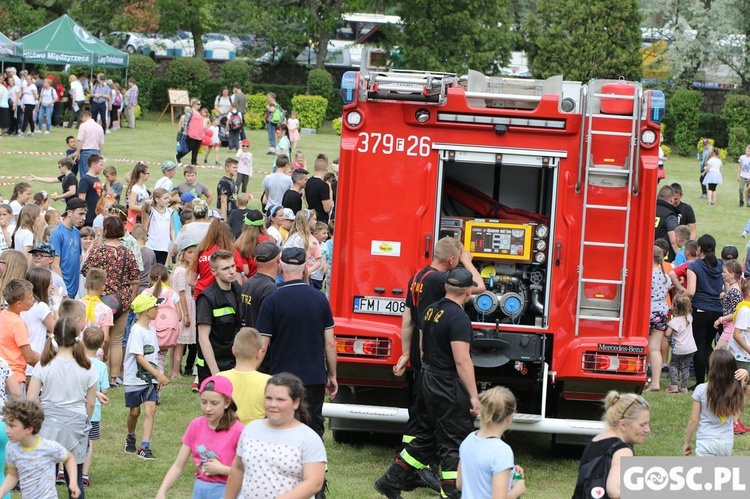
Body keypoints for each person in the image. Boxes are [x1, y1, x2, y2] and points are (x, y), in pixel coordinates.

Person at [374, 268, 480, 499]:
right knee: (455, 440)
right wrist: (473, 395)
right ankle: (451, 491)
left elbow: (422, 350)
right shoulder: (459, 318)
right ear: (468, 291)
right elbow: (462, 361)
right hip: (447, 383)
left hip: (428, 379)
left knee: (428, 437)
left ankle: (390, 480)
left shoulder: (431, 310)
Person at [224, 372, 326, 499]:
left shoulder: (309, 438)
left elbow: (314, 483)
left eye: (280, 400)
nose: (272, 404)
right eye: (268, 398)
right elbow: (238, 469)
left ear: (296, 403)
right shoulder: (251, 429)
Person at [27, 317, 97, 498]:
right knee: (75, 480)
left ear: (54, 337)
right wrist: (85, 420)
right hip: (75, 427)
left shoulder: (43, 364)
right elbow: (90, 403)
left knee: (45, 481)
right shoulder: (88, 367)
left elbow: (32, 399)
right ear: (77, 337)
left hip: (47, 426)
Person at [156, 375, 244, 499]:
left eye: (214, 403)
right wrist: (162, 491)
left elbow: (250, 472)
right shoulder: (196, 425)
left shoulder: (239, 431)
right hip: (200, 490)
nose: (207, 408)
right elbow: (178, 465)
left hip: (227, 490)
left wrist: (222, 469)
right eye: (204, 402)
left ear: (227, 403)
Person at [81, 217, 140, 385]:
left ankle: (93, 370)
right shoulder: (127, 252)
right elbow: (135, 276)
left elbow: (85, 270)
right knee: (116, 340)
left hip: (101, 300)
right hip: (122, 300)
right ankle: (114, 377)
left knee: (95, 337)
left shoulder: (99, 251)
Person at [573, 392, 650, 499]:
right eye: (642, 424)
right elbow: (615, 491)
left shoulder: (595, 441)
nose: (647, 429)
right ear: (623, 425)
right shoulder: (622, 450)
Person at [0, 400, 80, 499]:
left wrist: (73, 482)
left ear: (29, 429)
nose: (7, 430)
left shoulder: (48, 447)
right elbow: (13, 475)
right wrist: (2, 491)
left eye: (12, 426)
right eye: (7, 425)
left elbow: (69, 458)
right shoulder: (11, 448)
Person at [123, 293, 170, 460]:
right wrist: (157, 373)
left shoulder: (152, 330)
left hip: (150, 380)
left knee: (151, 409)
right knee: (134, 412)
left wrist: (157, 377)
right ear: (145, 311)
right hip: (134, 379)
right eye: (155, 307)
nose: (157, 310)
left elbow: (154, 356)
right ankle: (130, 435)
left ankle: (144, 445)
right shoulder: (136, 331)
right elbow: (139, 356)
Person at [456, 386, 525, 499]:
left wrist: (511, 473)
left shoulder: (468, 440)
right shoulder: (502, 451)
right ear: (510, 416)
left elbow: (459, 484)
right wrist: (518, 488)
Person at [684, 348, 748, 456]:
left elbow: (693, 420)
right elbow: (746, 385)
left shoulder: (701, 389)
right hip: (726, 443)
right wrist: (746, 373)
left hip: (705, 441)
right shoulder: (736, 388)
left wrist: (687, 442)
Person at [195, 250, 242, 385]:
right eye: (226, 268)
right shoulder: (207, 298)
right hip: (215, 365)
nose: (232, 271)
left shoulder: (239, 292)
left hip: (235, 362)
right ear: (214, 272)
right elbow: (203, 338)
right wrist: (215, 373)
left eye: (233, 266)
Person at [685, 234, 724, 385]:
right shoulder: (720, 265)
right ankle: (712, 381)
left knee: (699, 346)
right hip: (717, 310)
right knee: (709, 346)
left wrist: (679, 296)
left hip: (700, 309)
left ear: (699, 248)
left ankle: (700, 383)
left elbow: (691, 291)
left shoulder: (694, 266)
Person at [219, 328, 271, 424]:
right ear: (259, 353)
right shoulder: (269, 382)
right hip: (256, 435)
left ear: (233, 350)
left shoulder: (218, 378)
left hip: (226, 432)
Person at [81, 326, 109, 486]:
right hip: (94, 412)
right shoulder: (101, 366)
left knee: (70, 439)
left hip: (75, 409)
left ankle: (63, 471)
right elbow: (104, 389)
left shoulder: (76, 361)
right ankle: (84, 474)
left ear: (83, 341)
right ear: (100, 346)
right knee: (89, 441)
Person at [0, 279, 39, 393]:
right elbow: (29, 357)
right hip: (15, 377)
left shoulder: (3, 315)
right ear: (19, 304)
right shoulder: (18, 324)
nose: (33, 299)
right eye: (30, 297)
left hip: (3, 374)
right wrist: (44, 362)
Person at [143, 264, 182, 375]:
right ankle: (159, 370)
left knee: (150, 354)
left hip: (150, 330)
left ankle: (151, 370)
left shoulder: (146, 293)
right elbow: (179, 316)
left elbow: (139, 314)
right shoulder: (172, 294)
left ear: (149, 277)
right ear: (167, 277)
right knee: (161, 354)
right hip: (167, 333)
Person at [20, 268, 57, 376]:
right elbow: (57, 329)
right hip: (35, 361)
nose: (52, 287)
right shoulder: (41, 307)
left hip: (21, 361)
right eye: (50, 284)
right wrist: (56, 304)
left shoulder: (20, 305)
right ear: (42, 286)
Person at [171, 238, 199, 380]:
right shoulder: (182, 271)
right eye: (190, 252)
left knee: (177, 344)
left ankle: (173, 370)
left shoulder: (182, 270)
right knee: (180, 343)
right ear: (182, 254)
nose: (193, 255)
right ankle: (176, 371)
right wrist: (186, 314)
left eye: (195, 252)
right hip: (183, 306)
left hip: (183, 305)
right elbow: (181, 292)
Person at [50, 198, 87, 298]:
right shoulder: (57, 233)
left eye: (85, 214)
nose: (84, 218)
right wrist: (63, 291)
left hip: (74, 290)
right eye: (80, 214)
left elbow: (78, 258)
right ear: (70, 212)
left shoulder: (76, 232)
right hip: (63, 291)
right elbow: (54, 265)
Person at [646, 245, 672, 392]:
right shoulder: (665, 276)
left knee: (643, 345)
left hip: (648, 310)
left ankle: (643, 377)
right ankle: (655, 382)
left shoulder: (647, 274)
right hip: (662, 310)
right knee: (655, 348)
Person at [239, 241, 279, 329]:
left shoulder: (248, 284)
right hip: (262, 339)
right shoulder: (270, 288)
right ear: (278, 260)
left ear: (255, 260)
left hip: (250, 338)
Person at [664, 295, 698, 394]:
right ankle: (684, 387)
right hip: (691, 348)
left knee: (674, 365)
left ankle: (674, 386)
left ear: (676, 308)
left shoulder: (674, 322)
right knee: (685, 367)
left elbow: (667, 334)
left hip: (679, 348)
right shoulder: (689, 317)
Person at [79, 268, 112, 361]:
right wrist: (105, 354)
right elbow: (105, 339)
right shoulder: (106, 310)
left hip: (77, 352)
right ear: (103, 287)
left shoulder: (76, 305)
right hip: (95, 355)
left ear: (85, 285)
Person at [714, 259, 743, 350]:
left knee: (717, 355)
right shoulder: (733, 289)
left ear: (732, 274)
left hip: (730, 328)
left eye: (724, 272)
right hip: (729, 326)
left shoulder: (734, 291)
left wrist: (721, 319)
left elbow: (736, 312)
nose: (722, 274)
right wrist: (725, 297)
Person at [142, 189, 175, 265]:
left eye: (168, 198)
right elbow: (146, 203)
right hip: (151, 246)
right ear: (157, 199)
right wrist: (152, 199)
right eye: (165, 198)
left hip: (164, 247)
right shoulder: (152, 211)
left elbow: (172, 229)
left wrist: (173, 241)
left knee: (160, 269)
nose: (168, 200)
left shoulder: (169, 211)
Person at [72, 111, 104, 179]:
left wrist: (77, 152)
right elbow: (101, 143)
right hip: (96, 151)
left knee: (85, 174)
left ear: (83, 117)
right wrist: (99, 154)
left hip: (86, 151)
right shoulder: (99, 126)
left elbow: (81, 141)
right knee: (94, 174)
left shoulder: (83, 125)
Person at [305, 154, 333, 224]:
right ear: (327, 169)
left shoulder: (309, 181)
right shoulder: (324, 185)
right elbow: (327, 209)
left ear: (314, 167)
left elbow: (305, 198)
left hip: (310, 217)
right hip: (321, 220)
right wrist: (330, 190)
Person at [654, 184, 680, 261]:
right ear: (671, 200)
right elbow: (673, 241)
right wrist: (680, 257)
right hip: (663, 259)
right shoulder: (670, 215)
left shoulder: (648, 211)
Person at [177, 99, 206, 166]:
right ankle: (178, 156)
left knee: (196, 148)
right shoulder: (190, 111)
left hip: (199, 133)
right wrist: (185, 131)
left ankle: (194, 161)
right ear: (194, 104)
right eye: (198, 104)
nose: (200, 105)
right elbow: (186, 121)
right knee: (189, 147)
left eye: (200, 104)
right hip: (191, 132)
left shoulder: (199, 112)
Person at [78, 154, 104, 227]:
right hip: (88, 217)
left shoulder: (97, 179)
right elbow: (81, 200)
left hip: (97, 215)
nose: (102, 167)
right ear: (94, 165)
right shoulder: (85, 180)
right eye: (101, 165)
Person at [125, 162, 151, 230]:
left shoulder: (144, 187)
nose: (149, 175)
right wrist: (145, 208)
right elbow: (131, 206)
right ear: (142, 174)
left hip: (143, 217)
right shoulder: (134, 188)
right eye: (148, 173)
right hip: (135, 218)